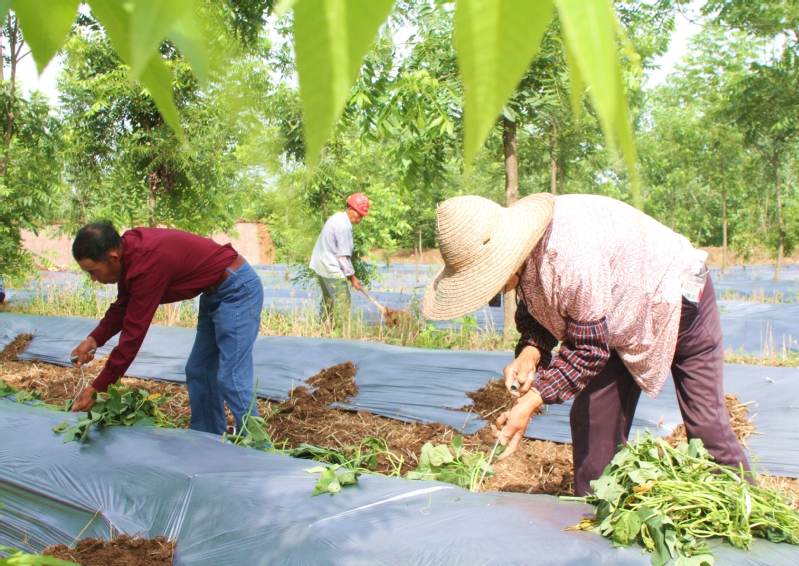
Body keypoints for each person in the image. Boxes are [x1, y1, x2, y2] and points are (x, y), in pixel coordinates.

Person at [422, 193, 751, 495]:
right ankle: (602, 510)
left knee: (705, 422)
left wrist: (532, 400)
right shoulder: (529, 252)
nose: (492, 290)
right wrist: (530, 353)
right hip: (616, 317)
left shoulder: (570, 258)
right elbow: (543, 306)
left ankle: (743, 505)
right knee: (593, 418)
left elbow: (589, 351)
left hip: (678, 291)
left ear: (505, 257)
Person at [69, 222, 264, 435]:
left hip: (236, 290)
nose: (93, 279)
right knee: (199, 370)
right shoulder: (129, 252)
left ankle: (257, 445)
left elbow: (132, 338)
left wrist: (98, 387)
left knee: (231, 376)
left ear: (113, 257)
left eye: (94, 271)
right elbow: (124, 303)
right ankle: (207, 438)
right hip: (213, 293)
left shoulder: (147, 265)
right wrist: (93, 340)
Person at [309, 193, 370, 320]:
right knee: (343, 302)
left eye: (362, 216)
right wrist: (353, 278)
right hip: (330, 267)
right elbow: (343, 258)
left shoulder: (337, 217)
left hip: (320, 265)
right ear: (350, 209)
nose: (360, 218)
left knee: (329, 303)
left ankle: (326, 327)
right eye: (359, 214)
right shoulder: (344, 227)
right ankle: (343, 329)